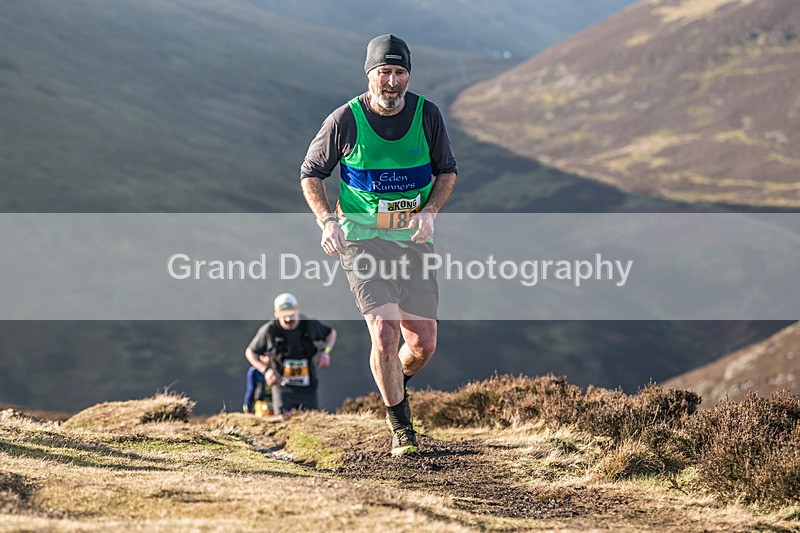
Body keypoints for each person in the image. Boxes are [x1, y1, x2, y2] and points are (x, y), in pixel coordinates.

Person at [300, 35, 457, 455]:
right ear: (369, 74)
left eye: (399, 72)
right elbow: (311, 174)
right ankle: (401, 428)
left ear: (408, 75)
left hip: (413, 240)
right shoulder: (345, 120)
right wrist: (327, 221)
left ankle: (395, 383)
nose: (391, 82)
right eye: (383, 73)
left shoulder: (428, 116)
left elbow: (447, 171)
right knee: (384, 331)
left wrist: (430, 212)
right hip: (362, 239)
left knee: (422, 344)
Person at [244, 293, 336, 414]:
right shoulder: (270, 330)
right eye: (284, 317)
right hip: (283, 389)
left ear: (297, 311)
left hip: (308, 388)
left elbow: (331, 333)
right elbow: (250, 352)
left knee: (311, 422)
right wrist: (265, 370)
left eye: (291, 316)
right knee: (284, 424)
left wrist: (326, 352)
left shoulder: (309, 325)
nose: (288, 320)